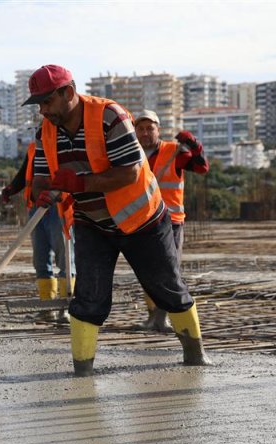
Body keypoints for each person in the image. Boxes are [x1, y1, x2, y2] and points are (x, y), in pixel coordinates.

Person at [22, 65, 211, 376]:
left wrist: (79, 184)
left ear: (68, 93)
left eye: (47, 102)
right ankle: (82, 371)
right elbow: (42, 176)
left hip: (142, 221)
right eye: (39, 104)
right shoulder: (46, 129)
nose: (43, 110)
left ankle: (195, 354)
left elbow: (130, 173)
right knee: (88, 298)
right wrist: (42, 193)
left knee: (167, 289)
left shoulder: (110, 116)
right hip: (92, 223)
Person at [134, 110, 209, 332]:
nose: (145, 133)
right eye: (141, 128)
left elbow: (201, 167)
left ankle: (162, 318)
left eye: (150, 128)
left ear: (159, 129)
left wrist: (194, 144)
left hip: (171, 221)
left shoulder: (172, 152)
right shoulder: (130, 153)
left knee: (168, 271)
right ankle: (152, 317)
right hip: (141, 221)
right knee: (146, 271)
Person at [1, 142, 75, 321]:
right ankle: (47, 307)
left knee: (64, 257)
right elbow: (25, 171)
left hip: (58, 205)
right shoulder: (35, 146)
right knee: (41, 259)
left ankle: (67, 307)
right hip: (36, 206)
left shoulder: (64, 142)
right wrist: (11, 188)